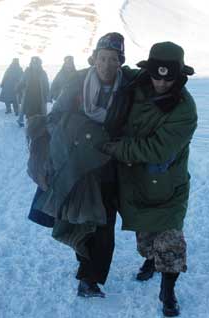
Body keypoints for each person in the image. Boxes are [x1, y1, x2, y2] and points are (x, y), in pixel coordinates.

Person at [27, 33, 139, 298]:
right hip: (78, 164)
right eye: (102, 58)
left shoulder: (128, 87)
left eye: (113, 59)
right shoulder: (77, 82)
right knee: (80, 220)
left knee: (104, 224)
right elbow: (54, 119)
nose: (107, 64)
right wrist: (79, 133)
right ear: (94, 58)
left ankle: (90, 278)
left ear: (121, 61)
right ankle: (84, 267)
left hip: (110, 166)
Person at [102, 41, 197, 316]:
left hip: (166, 185)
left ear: (180, 77)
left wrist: (115, 148)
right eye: (156, 75)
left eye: (169, 79)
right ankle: (150, 260)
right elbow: (106, 72)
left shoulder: (185, 110)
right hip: (135, 182)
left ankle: (168, 293)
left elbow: (157, 149)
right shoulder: (135, 82)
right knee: (145, 238)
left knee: (170, 242)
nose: (161, 83)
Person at [16, 56, 49, 127]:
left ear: (39, 64)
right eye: (33, 63)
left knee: (40, 112)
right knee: (29, 112)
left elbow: (46, 85)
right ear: (31, 63)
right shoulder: (27, 71)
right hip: (29, 97)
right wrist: (18, 87)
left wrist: (47, 95)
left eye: (36, 63)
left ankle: (39, 125)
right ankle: (29, 125)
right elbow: (22, 81)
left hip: (39, 97)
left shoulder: (43, 73)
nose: (35, 65)